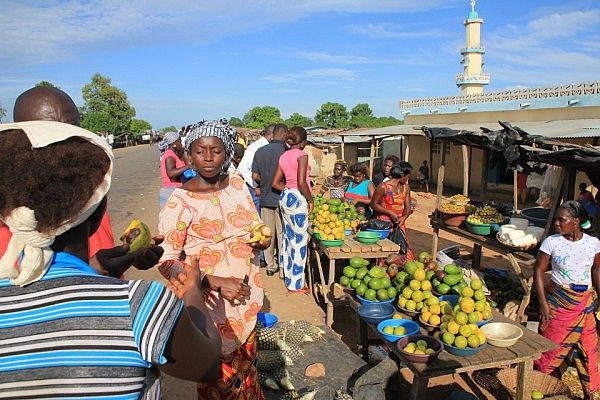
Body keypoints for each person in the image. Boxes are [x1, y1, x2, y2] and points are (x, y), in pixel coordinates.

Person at [0, 121, 221, 398]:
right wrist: (192, 292)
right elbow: (207, 365)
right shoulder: (138, 304)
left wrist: (98, 269)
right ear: (97, 213)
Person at [158, 120, 267, 400]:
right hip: (212, 308)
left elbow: (256, 228)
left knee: (247, 370)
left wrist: (262, 240)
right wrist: (211, 280)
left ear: (227, 153)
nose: (207, 158)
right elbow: (167, 260)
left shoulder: (237, 186)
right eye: (199, 151)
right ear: (189, 155)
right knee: (221, 382)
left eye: (215, 151)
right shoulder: (179, 201)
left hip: (246, 298)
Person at [8, 86, 156, 275]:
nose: (66, 144)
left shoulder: (89, 191)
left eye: (73, 130)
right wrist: (88, 271)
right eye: (48, 135)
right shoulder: (7, 204)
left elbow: (99, 251)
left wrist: (130, 254)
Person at [533, 201, 600, 399]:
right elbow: (538, 270)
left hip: (585, 305)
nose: (557, 223)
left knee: (589, 350)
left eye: (562, 220)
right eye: (556, 220)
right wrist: (544, 305)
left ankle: (591, 393)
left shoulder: (593, 243)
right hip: (558, 305)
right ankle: (545, 388)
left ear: (576, 222)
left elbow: (596, 270)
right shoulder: (552, 242)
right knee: (550, 350)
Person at [272, 126, 312, 292]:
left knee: (288, 238)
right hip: (297, 197)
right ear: (302, 143)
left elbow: (275, 183)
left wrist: (289, 190)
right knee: (299, 241)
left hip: (286, 196)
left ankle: (288, 276)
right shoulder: (302, 155)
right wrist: (310, 199)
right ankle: (296, 284)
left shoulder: (283, 156)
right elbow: (302, 182)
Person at [252, 124, 288, 277]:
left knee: (267, 233)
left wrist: (265, 181)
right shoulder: (287, 152)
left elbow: (254, 176)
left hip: (265, 198)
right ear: (285, 135)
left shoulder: (260, 151)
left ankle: (270, 266)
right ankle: (283, 268)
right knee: (281, 233)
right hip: (282, 198)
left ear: (272, 134)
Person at [370, 161, 415, 261]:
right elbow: (373, 204)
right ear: (402, 175)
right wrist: (389, 212)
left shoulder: (406, 188)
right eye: (407, 176)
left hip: (399, 223)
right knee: (384, 252)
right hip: (383, 224)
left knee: (402, 251)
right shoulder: (383, 187)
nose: (408, 179)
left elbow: (408, 207)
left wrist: (404, 217)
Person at [159, 130, 189, 209]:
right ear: (174, 143)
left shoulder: (173, 154)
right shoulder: (169, 154)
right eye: (180, 141)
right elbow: (171, 173)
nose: (181, 143)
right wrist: (189, 166)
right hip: (171, 191)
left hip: (172, 190)